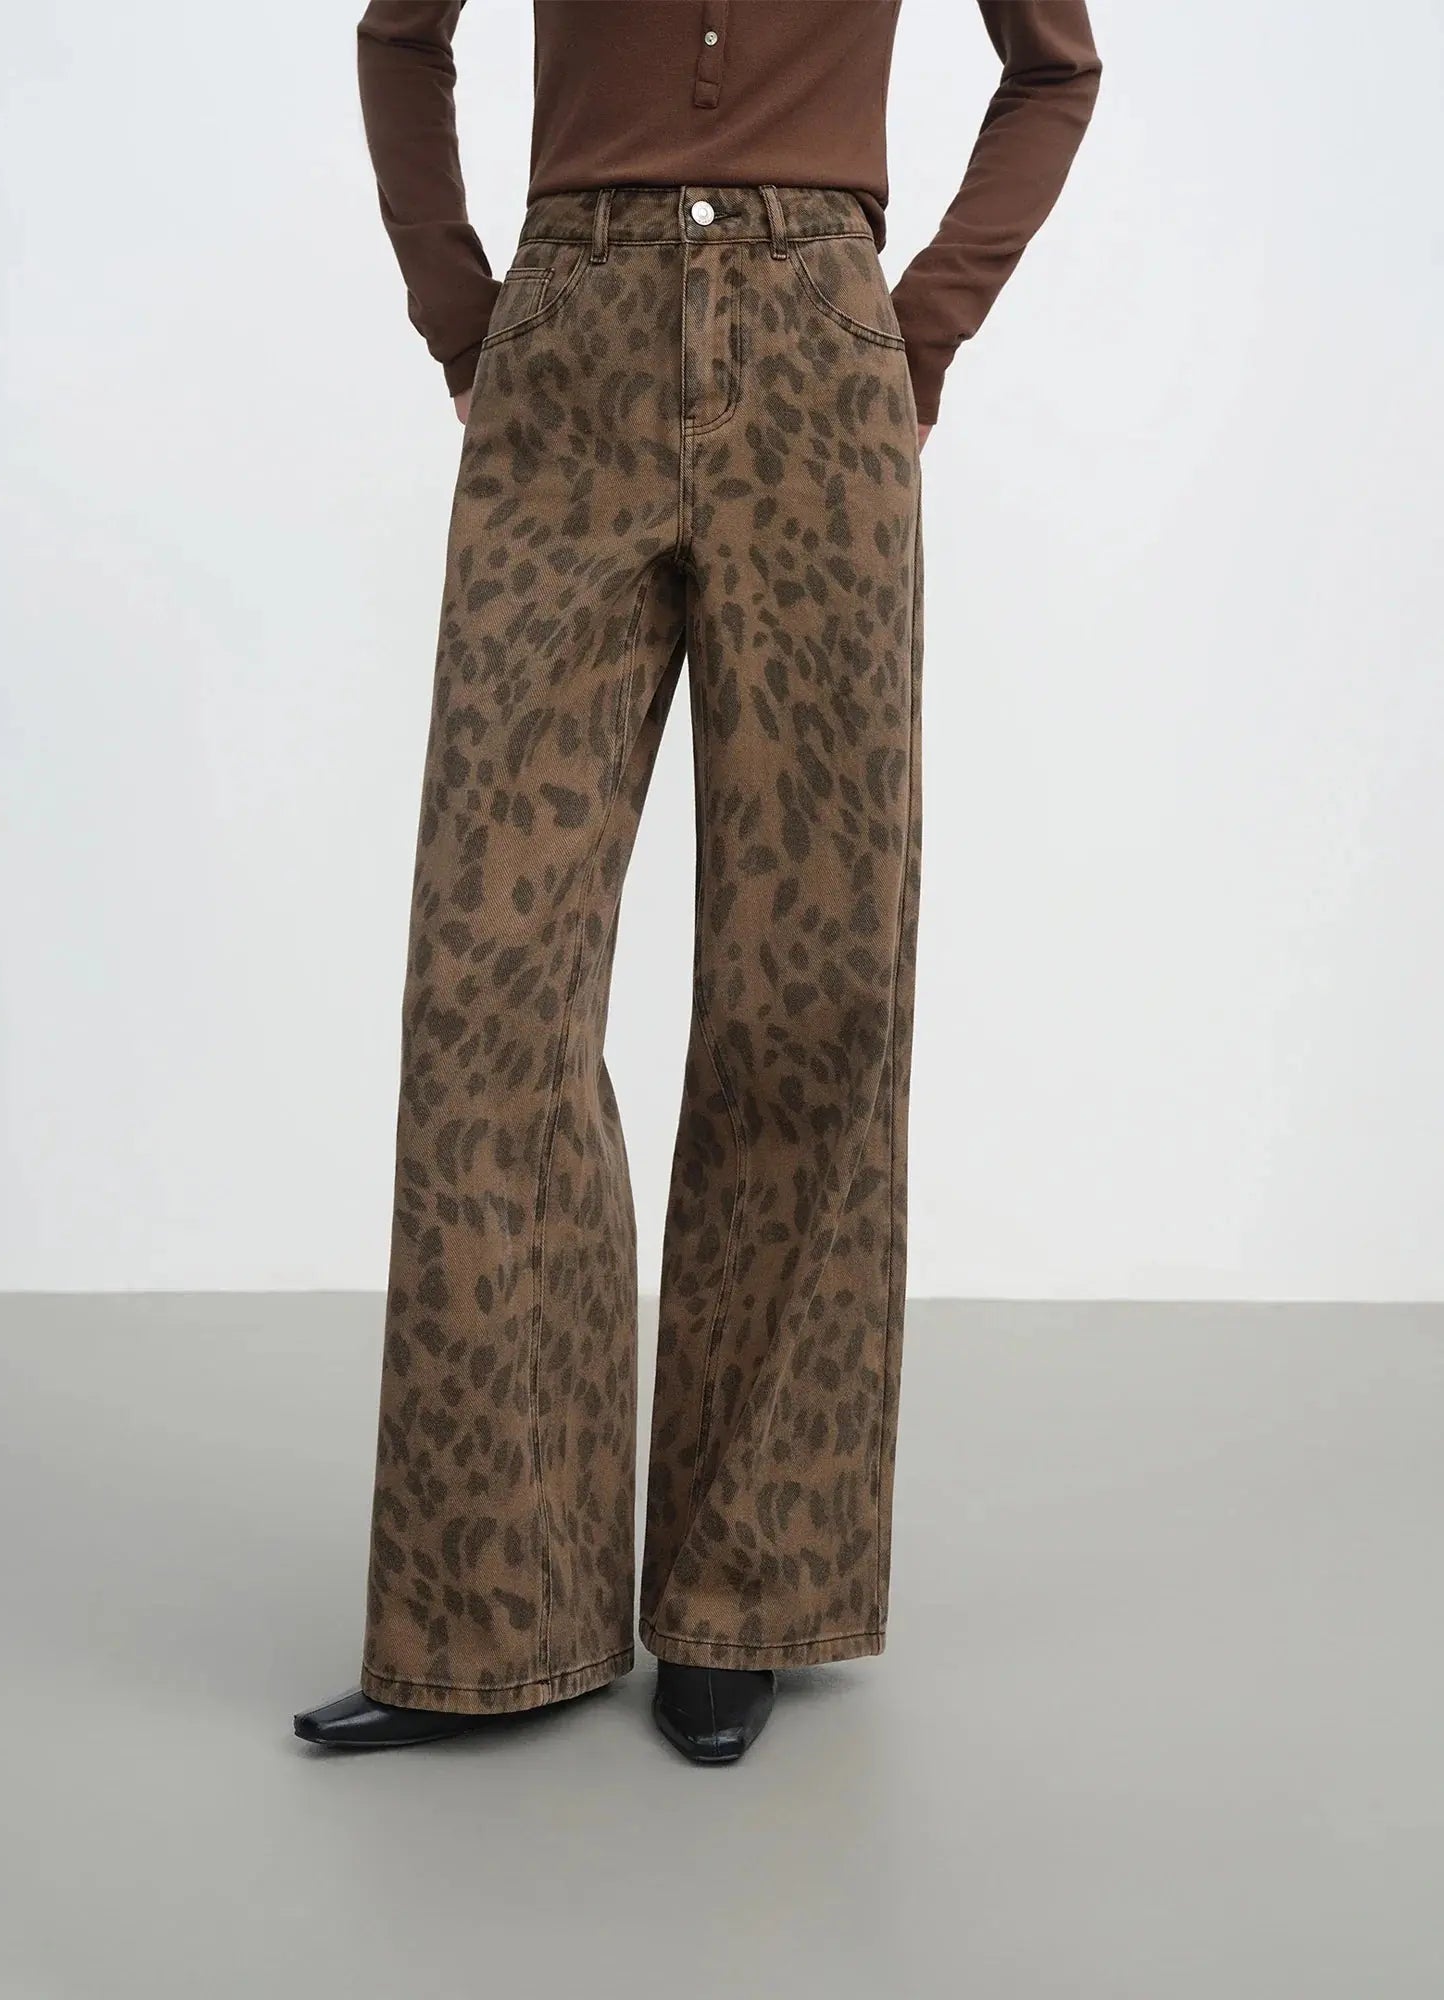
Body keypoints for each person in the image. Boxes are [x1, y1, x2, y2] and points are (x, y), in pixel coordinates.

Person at [295, 0, 1100, 1765]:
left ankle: (748, 1592)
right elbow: (401, 35)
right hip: (565, 350)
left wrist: (918, 334)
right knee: (486, 988)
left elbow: (1056, 66)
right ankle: (487, 1611)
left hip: (822, 356)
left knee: (810, 992)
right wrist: (462, 313)